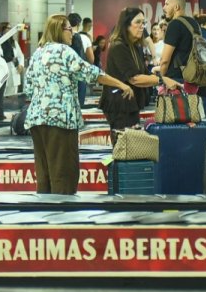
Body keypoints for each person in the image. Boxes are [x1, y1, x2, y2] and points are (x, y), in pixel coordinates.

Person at [25, 14, 134, 193]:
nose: (73, 33)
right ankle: (62, 208)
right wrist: (121, 84)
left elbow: (28, 88)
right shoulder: (65, 52)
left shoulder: (37, 53)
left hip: (36, 120)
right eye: (70, 29)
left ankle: (44, 208)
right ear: (59, 30)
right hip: (60, 121)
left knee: (44, 174)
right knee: (63, 173)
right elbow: (92, 73)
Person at [102, 7, 180, 141]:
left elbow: (142, 72)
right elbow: (135, 79)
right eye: (137, 22)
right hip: (119, 104)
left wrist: (156, 74)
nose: (142, 26)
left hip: (131, 103)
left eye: (143, 23)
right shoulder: (118, 47)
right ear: (126, 25)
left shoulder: (135, 46)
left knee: (132, 144)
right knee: (124, 145)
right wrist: (162, 80)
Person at [159, 0, 206, 99]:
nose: (163, 7)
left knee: (173, 110)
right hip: (193, 80)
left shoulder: (174, 24)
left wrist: (161, 78)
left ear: (176, 7)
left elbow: (164, 60)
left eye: (167, 4)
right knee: (190, 109)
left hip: (176, 82)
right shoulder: (194, 24)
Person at [67, 13, 93, 105]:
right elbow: (91, 59)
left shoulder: (62, 39)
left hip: (66, 76)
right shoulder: (84, 38)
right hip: (80, 74)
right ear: (79, 24)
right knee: (79, 104)